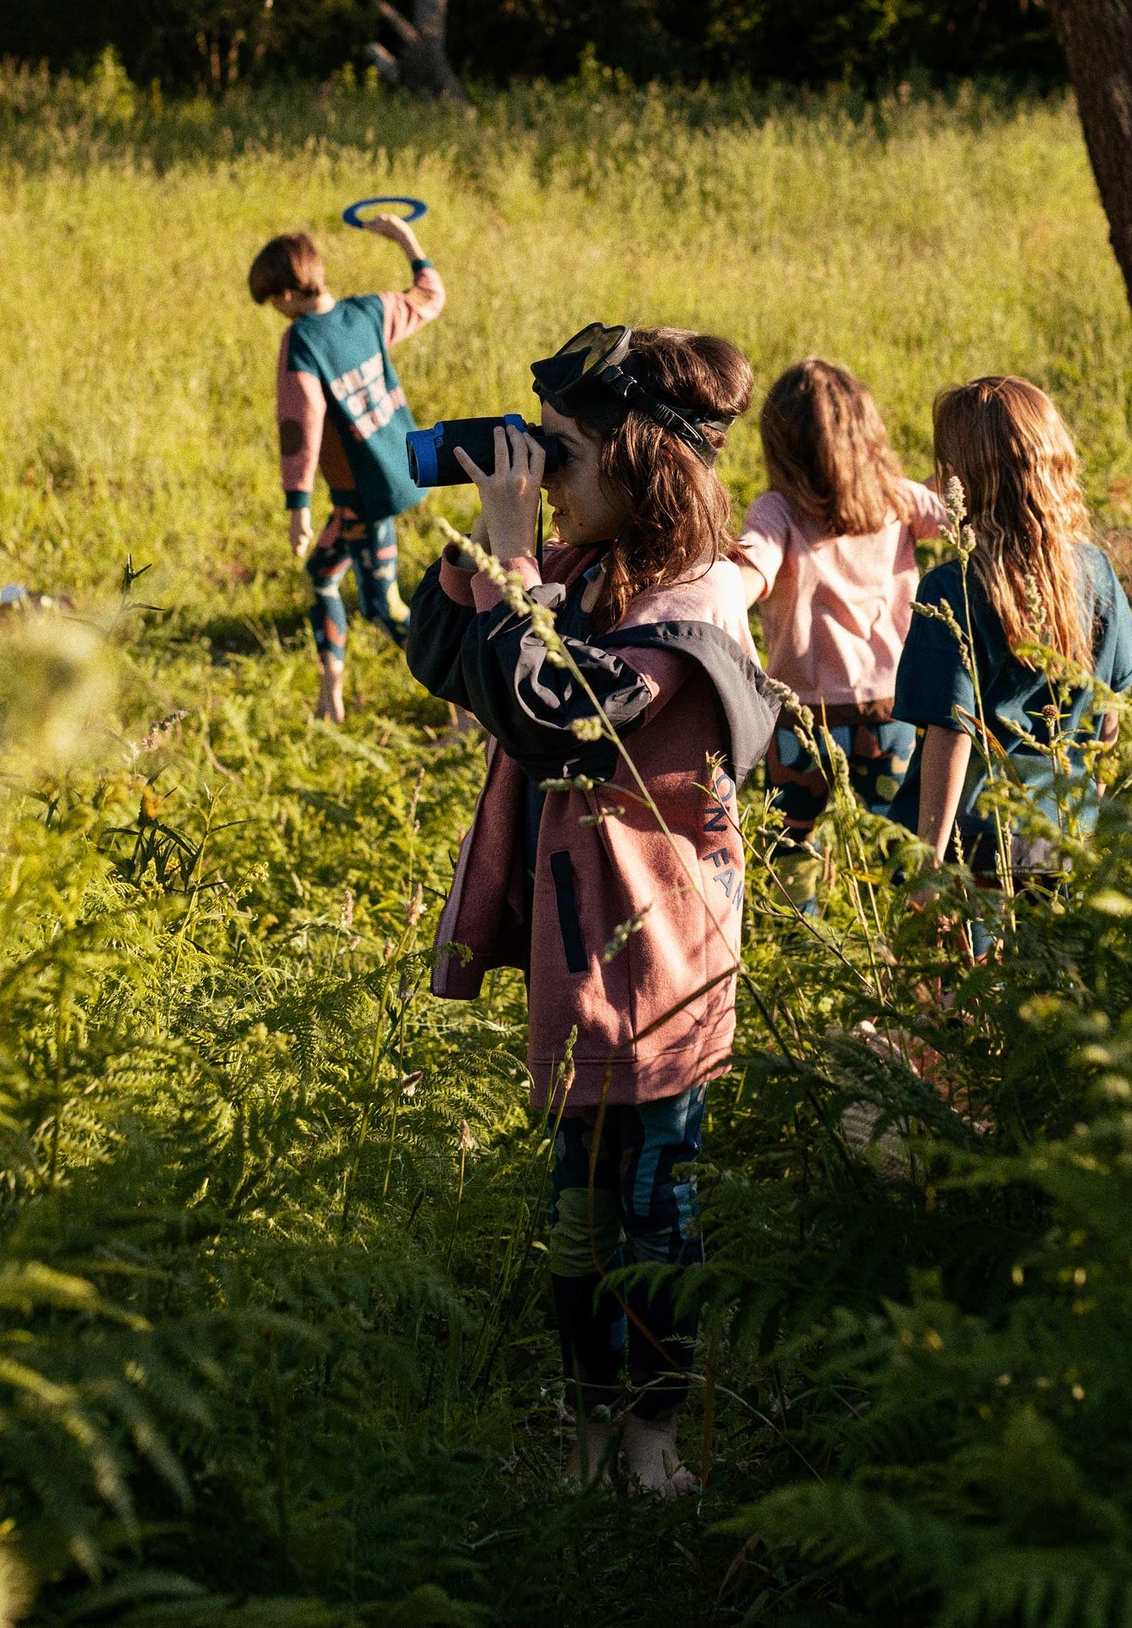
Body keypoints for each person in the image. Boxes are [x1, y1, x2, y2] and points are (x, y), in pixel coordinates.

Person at [406, 324, 779, 1497]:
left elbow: (557, 713)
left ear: (639, 461)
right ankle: (588, 1423)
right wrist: (490, 556)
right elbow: (441, 653)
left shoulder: (690, 604)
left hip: (662, 962)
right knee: (575, 1214)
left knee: (655, 1209)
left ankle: (655, 1435)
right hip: (579, 952)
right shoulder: (590, 567)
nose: (547, 474)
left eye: (563, 451)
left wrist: (519, 564)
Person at [890, 376, 1132, 935]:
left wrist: (929, 866)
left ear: (964, 479)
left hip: (974, 838)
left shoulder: (951, 588)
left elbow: (951, 734)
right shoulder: (1097, 573)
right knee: (1041, 971)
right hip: (1061, 828)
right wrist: (1088, 804)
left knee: (968, 979)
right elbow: (1109, 713)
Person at [734, 358, 945, 911]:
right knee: (895, 842)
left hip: (804, 720)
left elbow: (751, 570)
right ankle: (901, 935)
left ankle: (803, 937)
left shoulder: (777, 510)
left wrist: (714, 589)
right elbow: (962, 519)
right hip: (892, 711)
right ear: (868, 434)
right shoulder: (898, 499)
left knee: (790, 846)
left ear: (780, 449)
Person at [248, 216, 444, 721]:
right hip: (401, 471)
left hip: (366, 495)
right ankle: (330, 689)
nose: (275, 311)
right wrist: (405, 239)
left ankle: (466, 705)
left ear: (287, 294)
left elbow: (299, 426)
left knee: (384, 608)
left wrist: (298, 506)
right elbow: (430, 296)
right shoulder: (368, 312)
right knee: (321, 573)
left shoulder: (302, 341)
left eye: (272, 301)